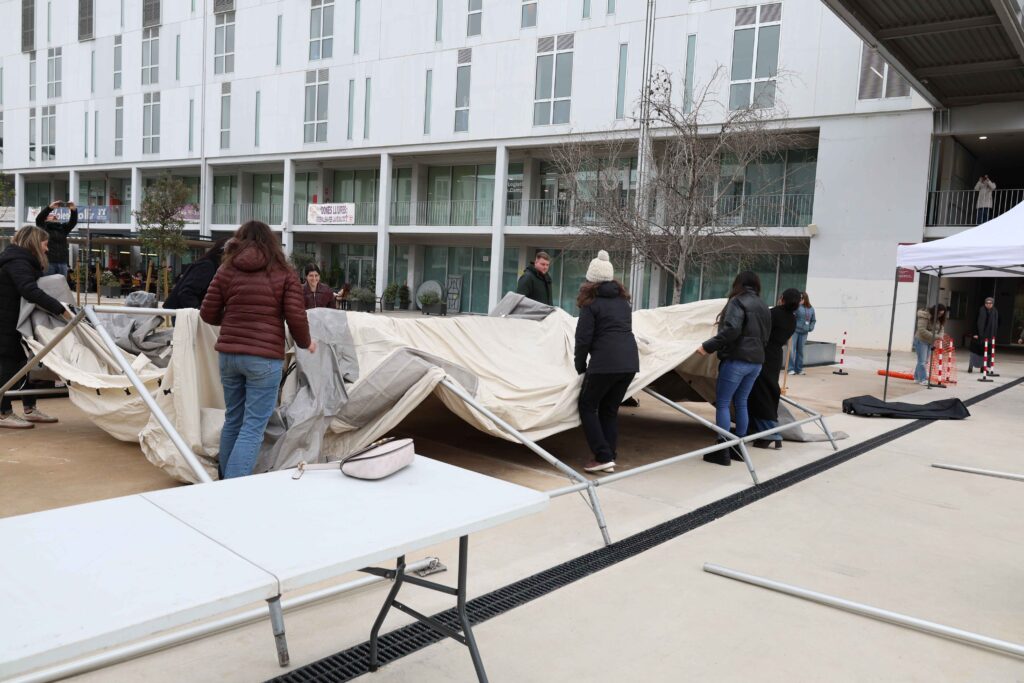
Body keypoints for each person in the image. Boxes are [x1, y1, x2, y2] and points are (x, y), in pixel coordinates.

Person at [199, 221, 317, 479]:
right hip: (264, 358)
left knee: (233, 419)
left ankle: (222, 481)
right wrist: (306, 342)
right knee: (253, 426)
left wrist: (233, 320)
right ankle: (232, 489)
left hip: (229, 355)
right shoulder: (284, 273)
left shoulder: (227, 269)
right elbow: (296, 317)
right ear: (272, 242)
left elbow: (207, 313)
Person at [0, 225, 74, 429]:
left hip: (14, 320)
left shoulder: (21, 260)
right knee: (9, 366)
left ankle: (29, 408)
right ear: (34, 242)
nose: (47, 248)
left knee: (25, 364)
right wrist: (61, 310)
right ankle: (3, 412)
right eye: (45, 244)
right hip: (6, 321)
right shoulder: (18, 261)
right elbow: (29, 290)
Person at [574, 251, 639, 474]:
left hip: (604, 363)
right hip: (629, 363)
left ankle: (602, 456)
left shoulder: (591, 304)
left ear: (590, 280)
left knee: (587, 406)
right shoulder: (623, 303)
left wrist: (580, 366)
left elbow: (583, 339)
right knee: (609, 410)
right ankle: (609, 455)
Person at [696, 271, 771, 466]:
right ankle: (738, 448)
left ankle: (722, 449)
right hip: (756, 362)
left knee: (723, 403)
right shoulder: (764, 305)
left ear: (738, 283)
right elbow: (766, 336)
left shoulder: (737, 302)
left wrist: (707, 346)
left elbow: (731, 330)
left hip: (737, 359)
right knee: (741, 401)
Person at [747, 288, 801, 449]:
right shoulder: (792, 319)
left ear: (782, 298)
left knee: (760, 393)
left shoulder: (773, 314)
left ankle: (771, 433)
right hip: (776, 356)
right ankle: (764, 431)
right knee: (769, 391)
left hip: (763, 354)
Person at [163, 238, 229, 311]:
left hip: (185, 310)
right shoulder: (206, 266)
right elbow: (186, 292)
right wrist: (199, 311)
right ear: (223, 254)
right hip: (184, 312)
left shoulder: (211, 266)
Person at [35, 200, 79, 276]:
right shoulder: (43, 228)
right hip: (48, 263)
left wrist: (74, 210)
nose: (54, 217)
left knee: (61, 283)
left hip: (62, 263)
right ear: (46, 219)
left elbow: (73, 222)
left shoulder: (63, 228)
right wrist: (50, 208)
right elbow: (39, 219)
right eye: (51, 216)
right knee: (48, 283)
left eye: (55, 216)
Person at [913, 303, 946, 386]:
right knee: (922, 361)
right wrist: (937, 336)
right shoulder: (924, 316)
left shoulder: (939, 319)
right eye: (939, 313)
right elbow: (922, 330)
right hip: (921, 340)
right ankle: (923, 379)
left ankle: (916, 378)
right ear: (935, 311)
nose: (940, 315)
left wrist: (940, 336)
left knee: (924, 361)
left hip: (930, 341)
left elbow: (941, 329)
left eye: (942, 314)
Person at [968, 296, 999, 373]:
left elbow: (996, 324)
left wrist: (994, 335)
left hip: (989, 336)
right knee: (974, 352)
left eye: (990, 303)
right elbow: (974, 322)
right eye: (987, 303)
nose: (988, 304)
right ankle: (971, 366)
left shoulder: (995, 311)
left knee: (986, 353)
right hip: (978, 335)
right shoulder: (980, 310)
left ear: (993, 304)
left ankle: (983, 367)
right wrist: (975, 333)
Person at [788, 291, 816, 375]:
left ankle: (799, 369)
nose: (799, 299)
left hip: (804, 333)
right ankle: (790, 369)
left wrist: (810, 327)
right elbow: (791, 316)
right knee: (792, 350)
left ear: (805, 298)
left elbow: (813, 320)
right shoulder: (796, 307)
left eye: (801, 298)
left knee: (800, 351)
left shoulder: (811, 309)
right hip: (795, 332)